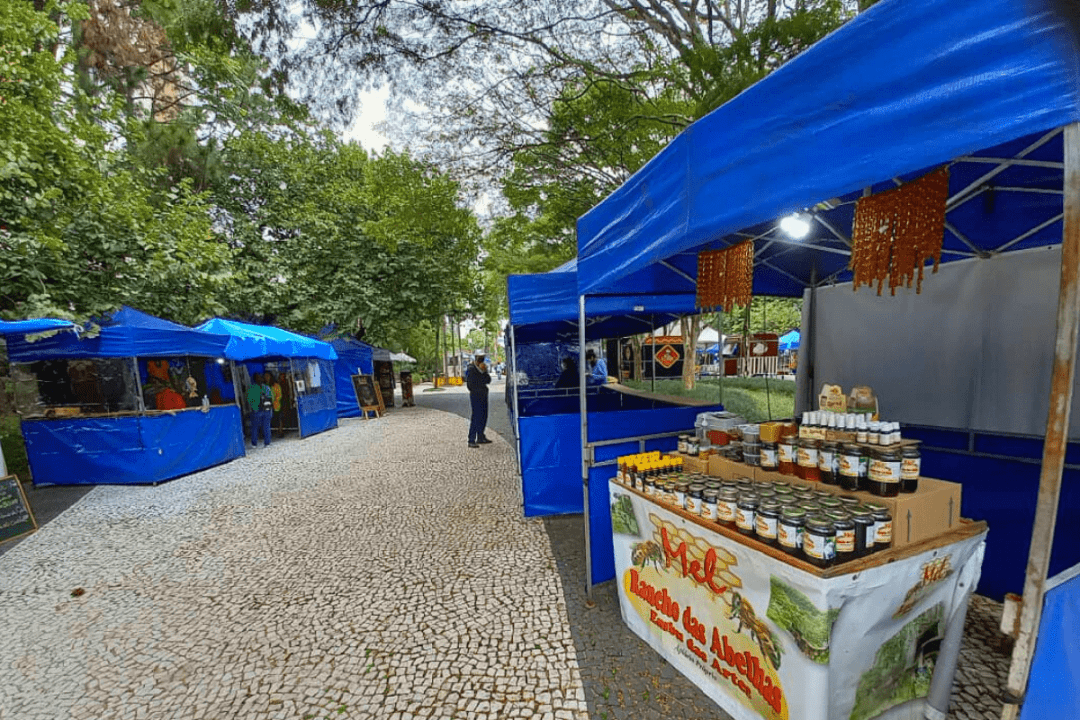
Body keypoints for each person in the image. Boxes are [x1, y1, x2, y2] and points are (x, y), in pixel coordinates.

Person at [465, 352, 492, 448]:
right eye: (480, 359)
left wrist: (484, 371)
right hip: (476, 395)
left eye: (482, 359)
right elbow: (470, 385)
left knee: (484, 416)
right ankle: (471, 439)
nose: (481, 361)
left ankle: (481, 436)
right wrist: (480, 384)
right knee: (476, 416)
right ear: (476, 360)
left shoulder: (483, 369)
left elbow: (488, 380)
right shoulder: (471, 369)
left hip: (483, 394)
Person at [245, 373, 273, 448]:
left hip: (256, 410)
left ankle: (254, 443)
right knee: (266, 426)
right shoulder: (266, 388)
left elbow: (249, 400)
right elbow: (271, 397)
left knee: (254, 427)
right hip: (266, 409)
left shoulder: (251, 388)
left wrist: (253, 407)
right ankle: (267, 443)